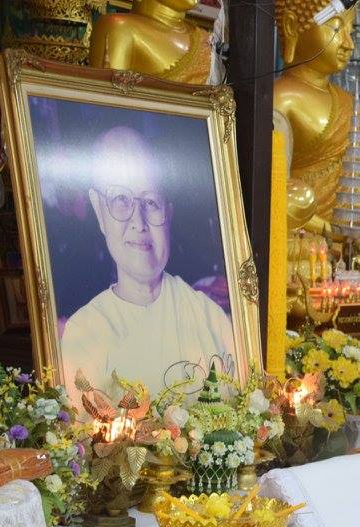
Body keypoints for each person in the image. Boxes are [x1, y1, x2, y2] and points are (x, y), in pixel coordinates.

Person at [60, 126, 234, 398]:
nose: (138, 222)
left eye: (151, 202)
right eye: (121, 199)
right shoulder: (85, 332)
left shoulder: (210, 317)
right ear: (99, 210)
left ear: (168, 213)